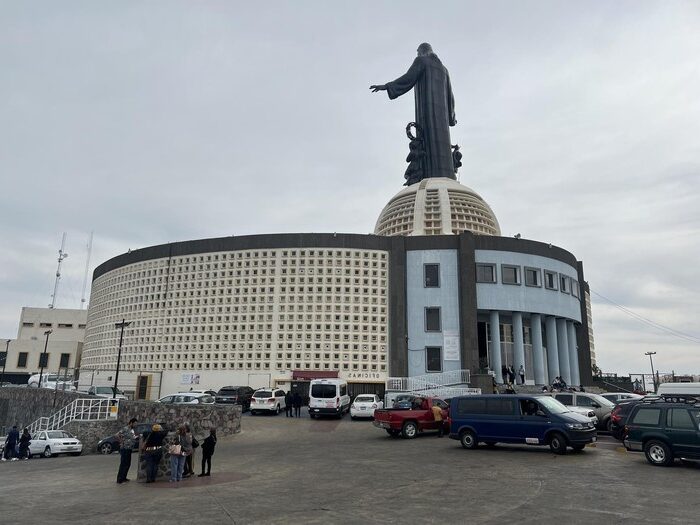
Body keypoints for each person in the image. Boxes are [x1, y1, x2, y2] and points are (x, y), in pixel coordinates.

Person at [116, 417, 138, 483]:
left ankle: (124, 477)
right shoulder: (125, 429)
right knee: (123, 463)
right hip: (124, 448)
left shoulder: (132, 430)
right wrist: (121, 442)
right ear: (131, 423)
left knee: (128, 463)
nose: (135, 425)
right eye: (135, 424)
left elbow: (132, 437)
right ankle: (119, 479)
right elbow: (117, 435)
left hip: (129, 449)